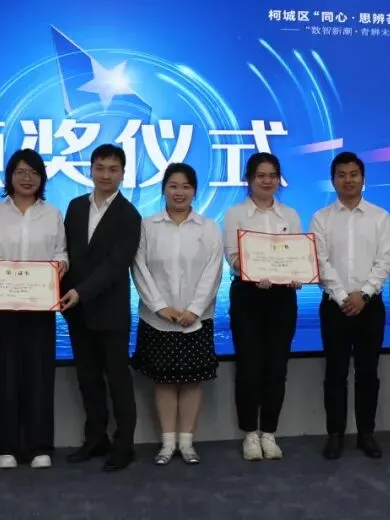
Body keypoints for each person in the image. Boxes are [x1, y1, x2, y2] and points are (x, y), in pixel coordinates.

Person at [131, 163, 223, 465]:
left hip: (197, 320)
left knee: (193, 382)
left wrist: (194, 309)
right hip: (157, 319)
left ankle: (187, 443)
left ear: (194, 190)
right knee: (164, 381)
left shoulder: (208, 227)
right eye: (173, 186)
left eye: (185, 186)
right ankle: (167, 443)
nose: (179, 192)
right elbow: (139, 268)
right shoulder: (148, 226)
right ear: (164, 190)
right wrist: (160, 306)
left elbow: (213, 272)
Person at [59, 143, 143, 471]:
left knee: (118, 380)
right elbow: (66, 254)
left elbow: (115, 265)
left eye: (113, 169)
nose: (105, 175)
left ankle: (124, 445)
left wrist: (80, 292)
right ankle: (95, 438)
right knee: (88, 378)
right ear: (90, 169)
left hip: (110, 311)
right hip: (76, 310)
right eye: (100, 168)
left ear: (123, 174)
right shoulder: (75, 206)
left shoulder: (129, 215)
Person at [0, 149, 68, 471]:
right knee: (4, 375)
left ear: (42, 178)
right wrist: (5, 275)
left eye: (33, 172)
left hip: (40, 306)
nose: (27, 178)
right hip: (2, 306)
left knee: (39, 375)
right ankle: (6, 446)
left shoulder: (52, 214)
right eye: (20, 172)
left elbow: (61, 253)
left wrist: (57, 267)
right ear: (10, 176)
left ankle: (39, 446)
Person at [310, 152, 390, 460]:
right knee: (335, 373)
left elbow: (385, 261)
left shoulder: (380, 217)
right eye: (341, 175)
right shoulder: (321, 218)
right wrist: (342, 296)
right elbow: (319, 261)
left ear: (363, 178)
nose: (348, 180)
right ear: (333, 180)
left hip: (370, 307)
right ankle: (335, 435)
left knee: (368, 373)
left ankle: (366, 433)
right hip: (334, 307)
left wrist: (365, 295)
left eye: (354, 174)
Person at [222, 151, 304, 461]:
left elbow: (298, 255)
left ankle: (269, 431)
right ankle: (249, 434)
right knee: (249, 366)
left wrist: (297, 275)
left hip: (282, 298)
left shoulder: (290, 215)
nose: (267, 181)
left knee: (277, 367)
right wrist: (254, 272)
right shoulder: (236, 214)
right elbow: (232, 256)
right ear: (249, 179)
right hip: (247, 296)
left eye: (272, 176)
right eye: (261, 176)